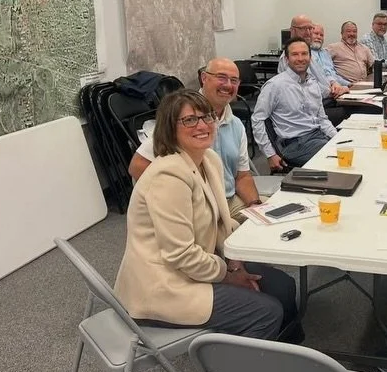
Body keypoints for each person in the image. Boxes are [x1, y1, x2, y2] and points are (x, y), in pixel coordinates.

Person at [114, 90, 303, 372]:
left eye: (206, 117)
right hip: (163, 286)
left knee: (282, 286)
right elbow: (180, 254)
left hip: (195, 268)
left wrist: (236, 263)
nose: (202, 125)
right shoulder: (168, 176)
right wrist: (229, 276)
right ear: (169, 128)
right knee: (265, 311)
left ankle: (275, 364)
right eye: (189, 119)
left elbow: (219, 223)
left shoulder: (207, 160)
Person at [128, 58, 261, 222]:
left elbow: (242, 177)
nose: (228, 85)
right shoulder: (182, 119)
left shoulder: (236, 125)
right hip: (196, 207)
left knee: (273, 223)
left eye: (234, 80)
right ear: (204, 78)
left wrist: (255, 205)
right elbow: (138, 166)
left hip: (229, 201)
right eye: (221, 77)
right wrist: (177, 202)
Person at [252, 38, 338, 171]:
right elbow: (257, 119)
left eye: (304, 54)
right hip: (295, 145)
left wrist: (337, 137)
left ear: (310, 57)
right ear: (286, 59)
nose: (300, 58)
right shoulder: (275, 86)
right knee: (336, 159)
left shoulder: (313, 83)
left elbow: (322, 119)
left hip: (318, 136)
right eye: (295, 54)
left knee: (352, 148)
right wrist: (270, 154)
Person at [279, 18, 350, 99]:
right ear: (293, 31)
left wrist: (335, 84)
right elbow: (307, 88)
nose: (308, 32)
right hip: (311, 104)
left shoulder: (312, 54)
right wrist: (333, 91)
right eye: (304, 29)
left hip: (324, 99)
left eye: (310, 28)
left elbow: (323, 78)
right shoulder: (289, 57)